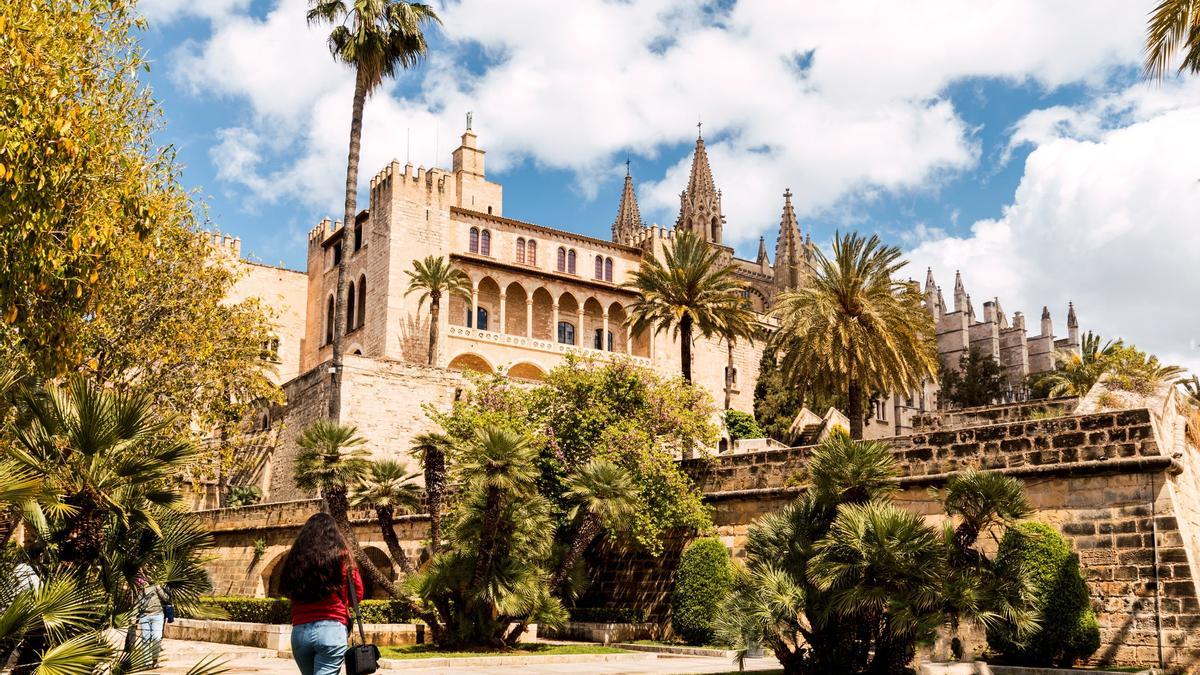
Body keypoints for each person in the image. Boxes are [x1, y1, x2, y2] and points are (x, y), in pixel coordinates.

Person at [279, 512, 363, 675]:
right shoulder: (343, 558)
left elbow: (286, 590)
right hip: (332, 629)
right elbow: (356, 596)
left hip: (300, 631)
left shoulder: (295, 559)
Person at [11, 540, 46, 675]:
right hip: (23, 617)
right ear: (40, 555)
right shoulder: (28, 571)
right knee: (16, 650)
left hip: (28, 617)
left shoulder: (26, 569)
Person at [136, 577, 171, 667]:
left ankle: (155, 660)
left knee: (157, 638)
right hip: (144, 616)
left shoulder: (157, 586)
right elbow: (138, 603)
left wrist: (159, 588)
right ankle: (146, 663)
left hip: (157, 616)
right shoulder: (141, 588)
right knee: (145, 639)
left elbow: (166, 599)